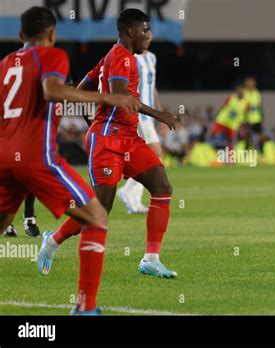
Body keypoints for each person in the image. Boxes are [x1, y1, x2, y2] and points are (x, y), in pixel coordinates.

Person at [0, 6, 140, 314]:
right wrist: (108, 98)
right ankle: (85, 308)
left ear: (21, 35)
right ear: (52, 34)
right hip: (38, 157)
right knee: (97, 216)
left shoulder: (5, 64)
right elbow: (51, 91)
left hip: (4, 156)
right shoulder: (53, 56)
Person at [37, 8, 179, 279]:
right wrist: (157, 113)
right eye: (145, 31)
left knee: (162, 187)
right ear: (130, 32)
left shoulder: (109, 57)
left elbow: (80, 90)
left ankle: (151, 259)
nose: (149, 36)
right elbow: (120, 95)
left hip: (129, 139)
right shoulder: (121, 57)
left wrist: (88, 117)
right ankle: (52, 240)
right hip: (108, 142)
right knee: (100, 210)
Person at [117, 48, 164, 214]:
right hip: (139, 114)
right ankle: (127, 191)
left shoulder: (152, 57)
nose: (147, 35)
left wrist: (159, 112)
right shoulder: (132, 58)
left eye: (148, 31)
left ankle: (134, 201)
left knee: (142, 157)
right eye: (144, 31)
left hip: (149, 115)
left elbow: (152, 87)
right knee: (156, 154)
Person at [208, 84, 248, 150]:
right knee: (211, 134)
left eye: (241, 91)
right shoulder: (231, 98)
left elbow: (244, 115)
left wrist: (242, 124)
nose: (240, 92)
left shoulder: (246, 103)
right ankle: (207, 149)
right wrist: (216, 116)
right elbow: (223, 107)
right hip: (222, 121)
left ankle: (230, 156)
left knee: (230, 141)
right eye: (238, 90)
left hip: (233, 125)